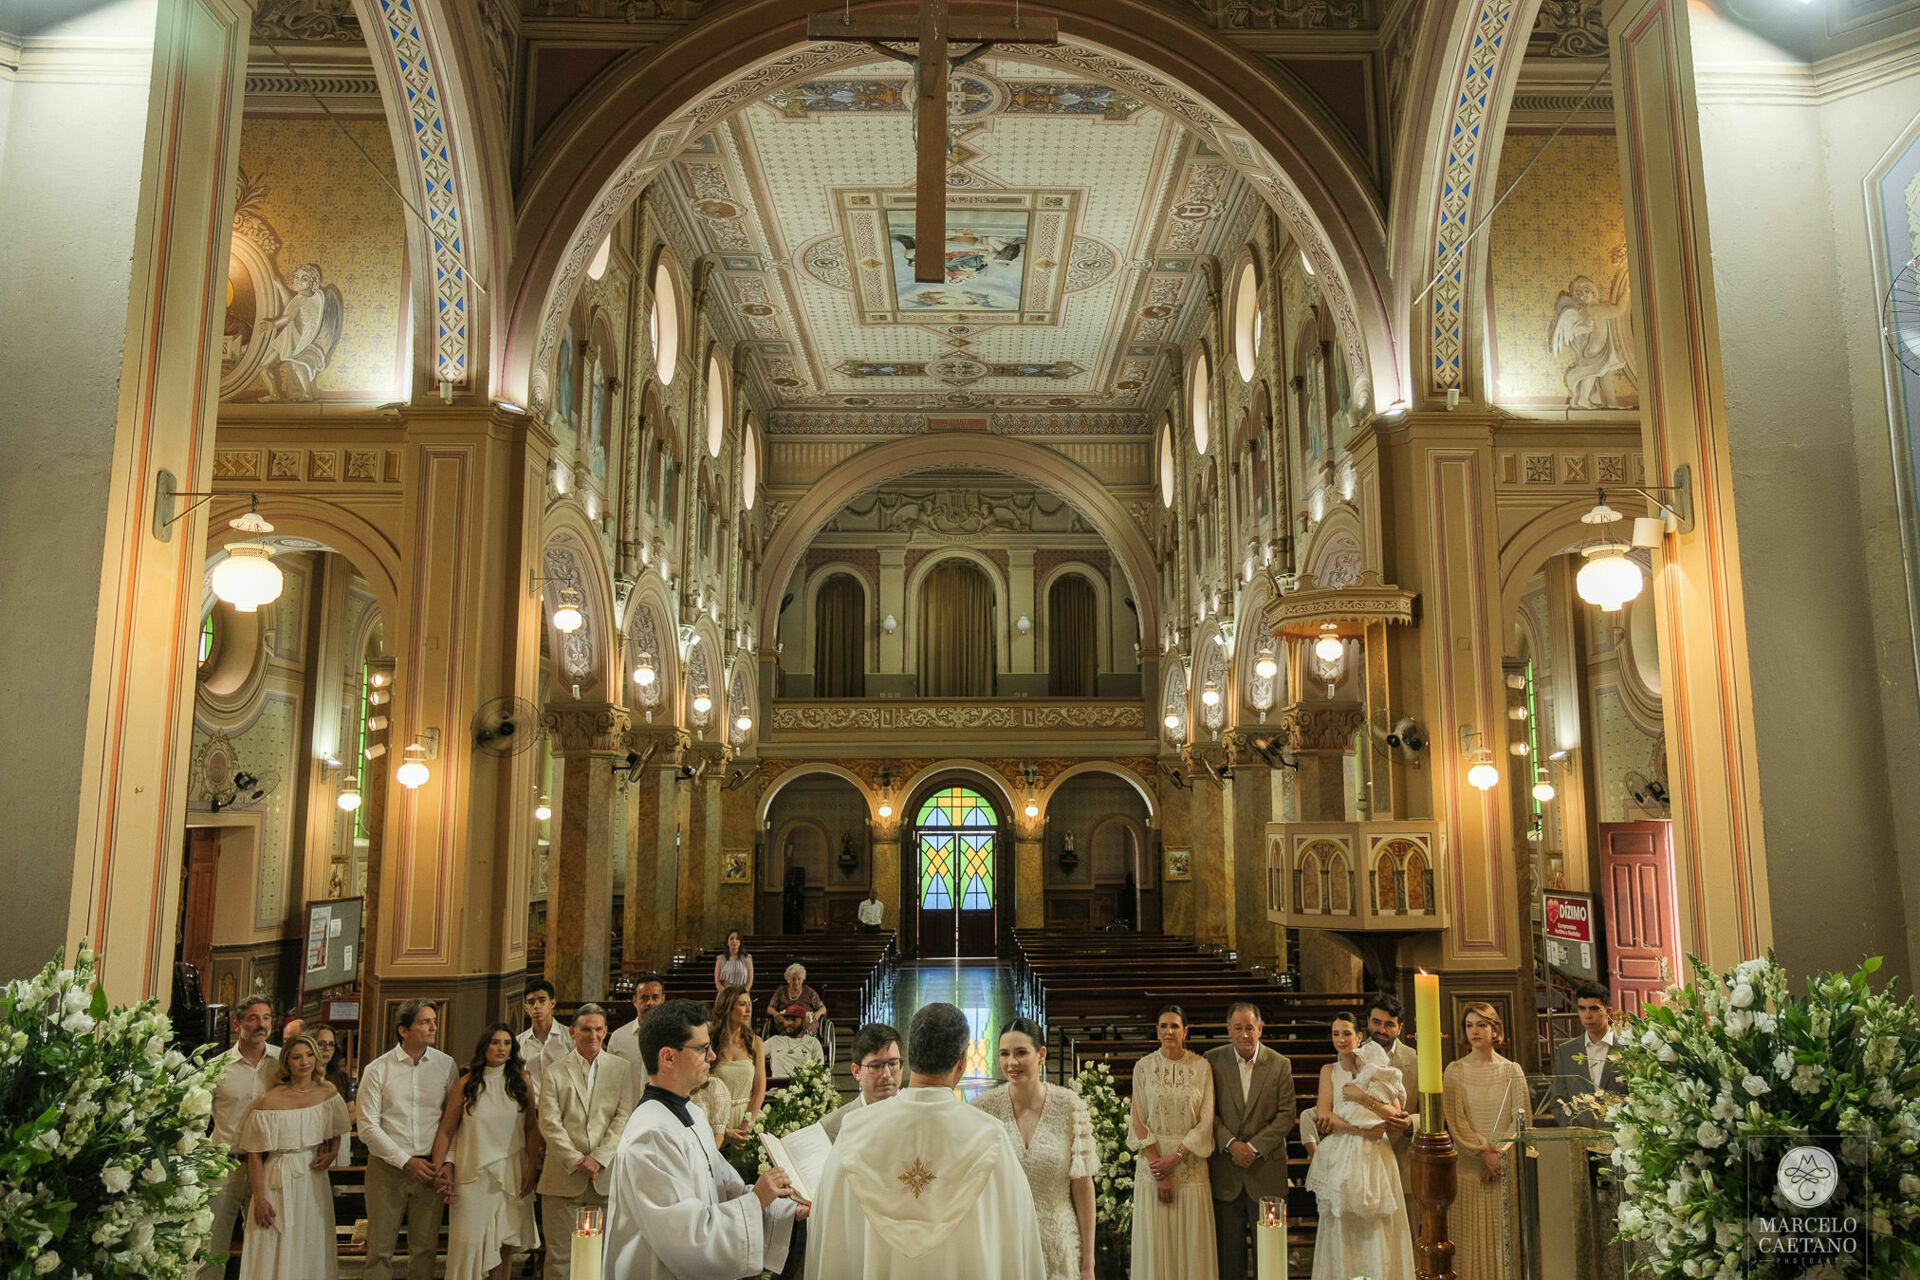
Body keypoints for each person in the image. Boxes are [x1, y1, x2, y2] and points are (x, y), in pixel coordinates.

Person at [808, 1002, 1045, 1279]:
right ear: (962, 1060)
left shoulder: (854, 1134)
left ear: (910, 1053)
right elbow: (1018, 1246)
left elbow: (826, 1237)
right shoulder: (990, 1138)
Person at [603, 1000, 801, 1278]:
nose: (712, 1057)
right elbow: (688, 1238)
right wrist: (757, 1200)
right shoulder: (650, 1135)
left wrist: (785, 1209)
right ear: (668, 1057)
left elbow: (725, 1188)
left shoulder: (693, 1113)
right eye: (702, 1049)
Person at [971, 1017, 1098, 1280]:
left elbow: (1083, 1187)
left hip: (1058, 1245)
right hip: (1003, 1244)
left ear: (1041, 1054)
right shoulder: (984, 1109)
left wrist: (1088, 1262)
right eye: (1004, 1054)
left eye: (1021, 1053)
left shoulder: (1070, 1107)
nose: (1011, 1063)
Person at [1303, 1017, 1415, 1280]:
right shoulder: (1328, 1071)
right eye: (1335, 1034)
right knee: (1342, 1224)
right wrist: (1362, 1131)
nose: (1341, 1039)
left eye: (1346, 1033)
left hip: (1376, 1155)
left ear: (1359, 1037)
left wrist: (1363, 1098)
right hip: (1342, 1152)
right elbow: (1324, 1115)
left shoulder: (1377, 1068)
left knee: (1377, 1226)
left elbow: (1395, 1115)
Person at [430, 1024, 542, 1280]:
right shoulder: (467, 1082)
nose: (501, 1048)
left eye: (506, 1043)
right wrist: (439, 1171)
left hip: (510, 1173)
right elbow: (446, 1130)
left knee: (504, 1244)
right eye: (495, 1042)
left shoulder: (522, 1081)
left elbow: (532, 1128)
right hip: (472, 1174)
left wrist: (531, 1167)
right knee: (467, 1244)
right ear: (484, 1047)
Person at [235, 1032, 350, 1280]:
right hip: (276, 1177)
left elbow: (338, 1129)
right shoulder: (268, 1102)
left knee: (310, 1241)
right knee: (271, 1240)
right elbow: (254, 1155)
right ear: (287, 1063)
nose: (304, 1062)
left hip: (312, 1179)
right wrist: (260, 1198)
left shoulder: (328, 1094)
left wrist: (331, 1153)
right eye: (297, 1057)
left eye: (309, 1055)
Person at [537, 1002, 638, 1280]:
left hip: (604, 1176)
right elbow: (549, 1122)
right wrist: (576, 1159)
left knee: (605, 1257)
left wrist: (598, 1158)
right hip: (563, 1175)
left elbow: (623, 1116)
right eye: (585, 1029)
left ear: (606, 1032)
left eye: (597, 1029)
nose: (592, 1035)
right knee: (559, 1259)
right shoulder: (555, 1071)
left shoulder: (621, 1068)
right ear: (572, 1032)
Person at [359, 998, 458, 1280]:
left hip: (430, 1168)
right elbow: (368, 1127)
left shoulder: (444, 1065)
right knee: (379, 1249)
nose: (433, 1027)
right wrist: (405, 1162)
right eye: (425, 1022)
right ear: (404, 1030)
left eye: (433, 1021)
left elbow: (450, 1123)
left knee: (425, 1250)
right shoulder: (377, 1070)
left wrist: (444, 1164)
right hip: (387, 1169)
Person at [1206, 1002, 1298, 1280]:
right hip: (1226, 1170)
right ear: (1228, 1031)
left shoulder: (1280, 1064)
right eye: (1238, 1028)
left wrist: (1254, 1148)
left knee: (1269, 1253)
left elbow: (1286, 1115)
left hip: (1266, 1171)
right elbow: (1206, 1111)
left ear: (1260, 1029)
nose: (1244, 1034)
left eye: (1249, 1028)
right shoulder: (1211, 1060)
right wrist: (1232, 1144)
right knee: (1228, 1255)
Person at [194, 995, 280, 1280]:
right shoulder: (216, 1067)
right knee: (212, 1249)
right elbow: (197, 1120)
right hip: (224, 1165)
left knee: (267, 1248)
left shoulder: (282, 1062)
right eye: (253, 1018)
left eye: (266, 1018)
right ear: (237, 1024)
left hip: (269, 1166)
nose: (261, 1024)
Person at [1129, 1005, 1217, 1280]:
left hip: (1190, 1164)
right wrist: (1160, 1170)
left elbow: (1206, 1120)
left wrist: (1176, 1157)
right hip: (1153, 1167)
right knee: (1156, 1240)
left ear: (1185, 1031)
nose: (1169, 1031)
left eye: (1175, 1026)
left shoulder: (1202, 1067)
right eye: (1164, 1026)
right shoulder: (1143, 1067)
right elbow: (1138, 1119)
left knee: (1192, 1241)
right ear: (1157, 1031)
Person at [1443, 1003, 1528, 1280]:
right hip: (1468, 1171)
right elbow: (1456, 1122)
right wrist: (1483, 1155)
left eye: (1481, 1024)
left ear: (1495, 1030)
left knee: (1503, 1246)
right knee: (1469, 1246)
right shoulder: (1454, 1071)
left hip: (1503, 1171)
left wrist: (1498, 1156)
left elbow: (1520, 1119)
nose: (1475, 1031)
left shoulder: (1512, 1070)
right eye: (1469, 1025)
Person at [1545, 983, 1620, 1127]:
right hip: (1580, 1141)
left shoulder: (1627, 1049)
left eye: (1594, 1008)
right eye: (1582, 1009)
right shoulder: (1566, 1051)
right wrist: (1575, 1131)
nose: (1587, 1015)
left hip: (1621, 1141)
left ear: (1608, 1011)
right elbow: (1557, 1100)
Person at [821, 1022, 902, 1141]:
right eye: (876, 1066)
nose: (886, 1074)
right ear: (856, 1071)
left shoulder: (920, 1116)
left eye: (893, 1063)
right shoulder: (831, 1127)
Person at [710, 985, 765, 1147]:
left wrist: (745, 1126)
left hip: (746, 1117)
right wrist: (724, 1130)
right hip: (715, 1121)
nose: (748, 1010)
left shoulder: (755, 1043)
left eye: (749, 1004)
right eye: (742, 1004)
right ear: (727, 1007)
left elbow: (759, 1089)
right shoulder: (710, 1041)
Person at [607, 973, 668, 1085]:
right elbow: (610, 1080)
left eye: (655, 997)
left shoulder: (674, 1036)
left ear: (663, 999)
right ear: (635, 1001)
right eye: (644, 998)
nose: (650, 1003)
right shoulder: (618, 1038)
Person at [518, 980, 570, 1098]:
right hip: (531, 1108)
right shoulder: (519, 1042)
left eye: (542, 1001)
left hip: (562, 1108)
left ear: (552, 1003)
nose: (536, 1006)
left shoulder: (570, 1038)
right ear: (526, 1007)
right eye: (531, 1002)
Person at [764, 1005, 825, 1082]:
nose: (789, 1023)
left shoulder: (813, 1042)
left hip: (802, 1091)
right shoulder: (774, 1041)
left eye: (794, 1019)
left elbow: (819, 1071)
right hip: (776, 1090)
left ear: (803, 1023)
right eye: (786, 1019)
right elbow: (752, 1054)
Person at [764, 963, 826, 1037]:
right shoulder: (781, 991)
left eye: (799, 979)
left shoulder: (810, 992)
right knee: (781, 1020)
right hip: (786, 1019)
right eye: (793, 979)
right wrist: (776, 1014)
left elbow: (823, 1008)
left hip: (804, 1021)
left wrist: (818, 1013)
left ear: (803, 979)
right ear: (788, 980)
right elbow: (770, 1008)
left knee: (803, 1020)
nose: (796, 982)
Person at [714, 930, 754, 995]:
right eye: (731, 938)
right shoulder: (720, 959)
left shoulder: (747, 959)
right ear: (727, 942)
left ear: (740, 942)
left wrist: (741, 995)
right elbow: (718, 983)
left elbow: (749, 981)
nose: (734, 941)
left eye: (737, 939)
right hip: (725, 995)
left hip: (742, 994)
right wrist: (727, 995)